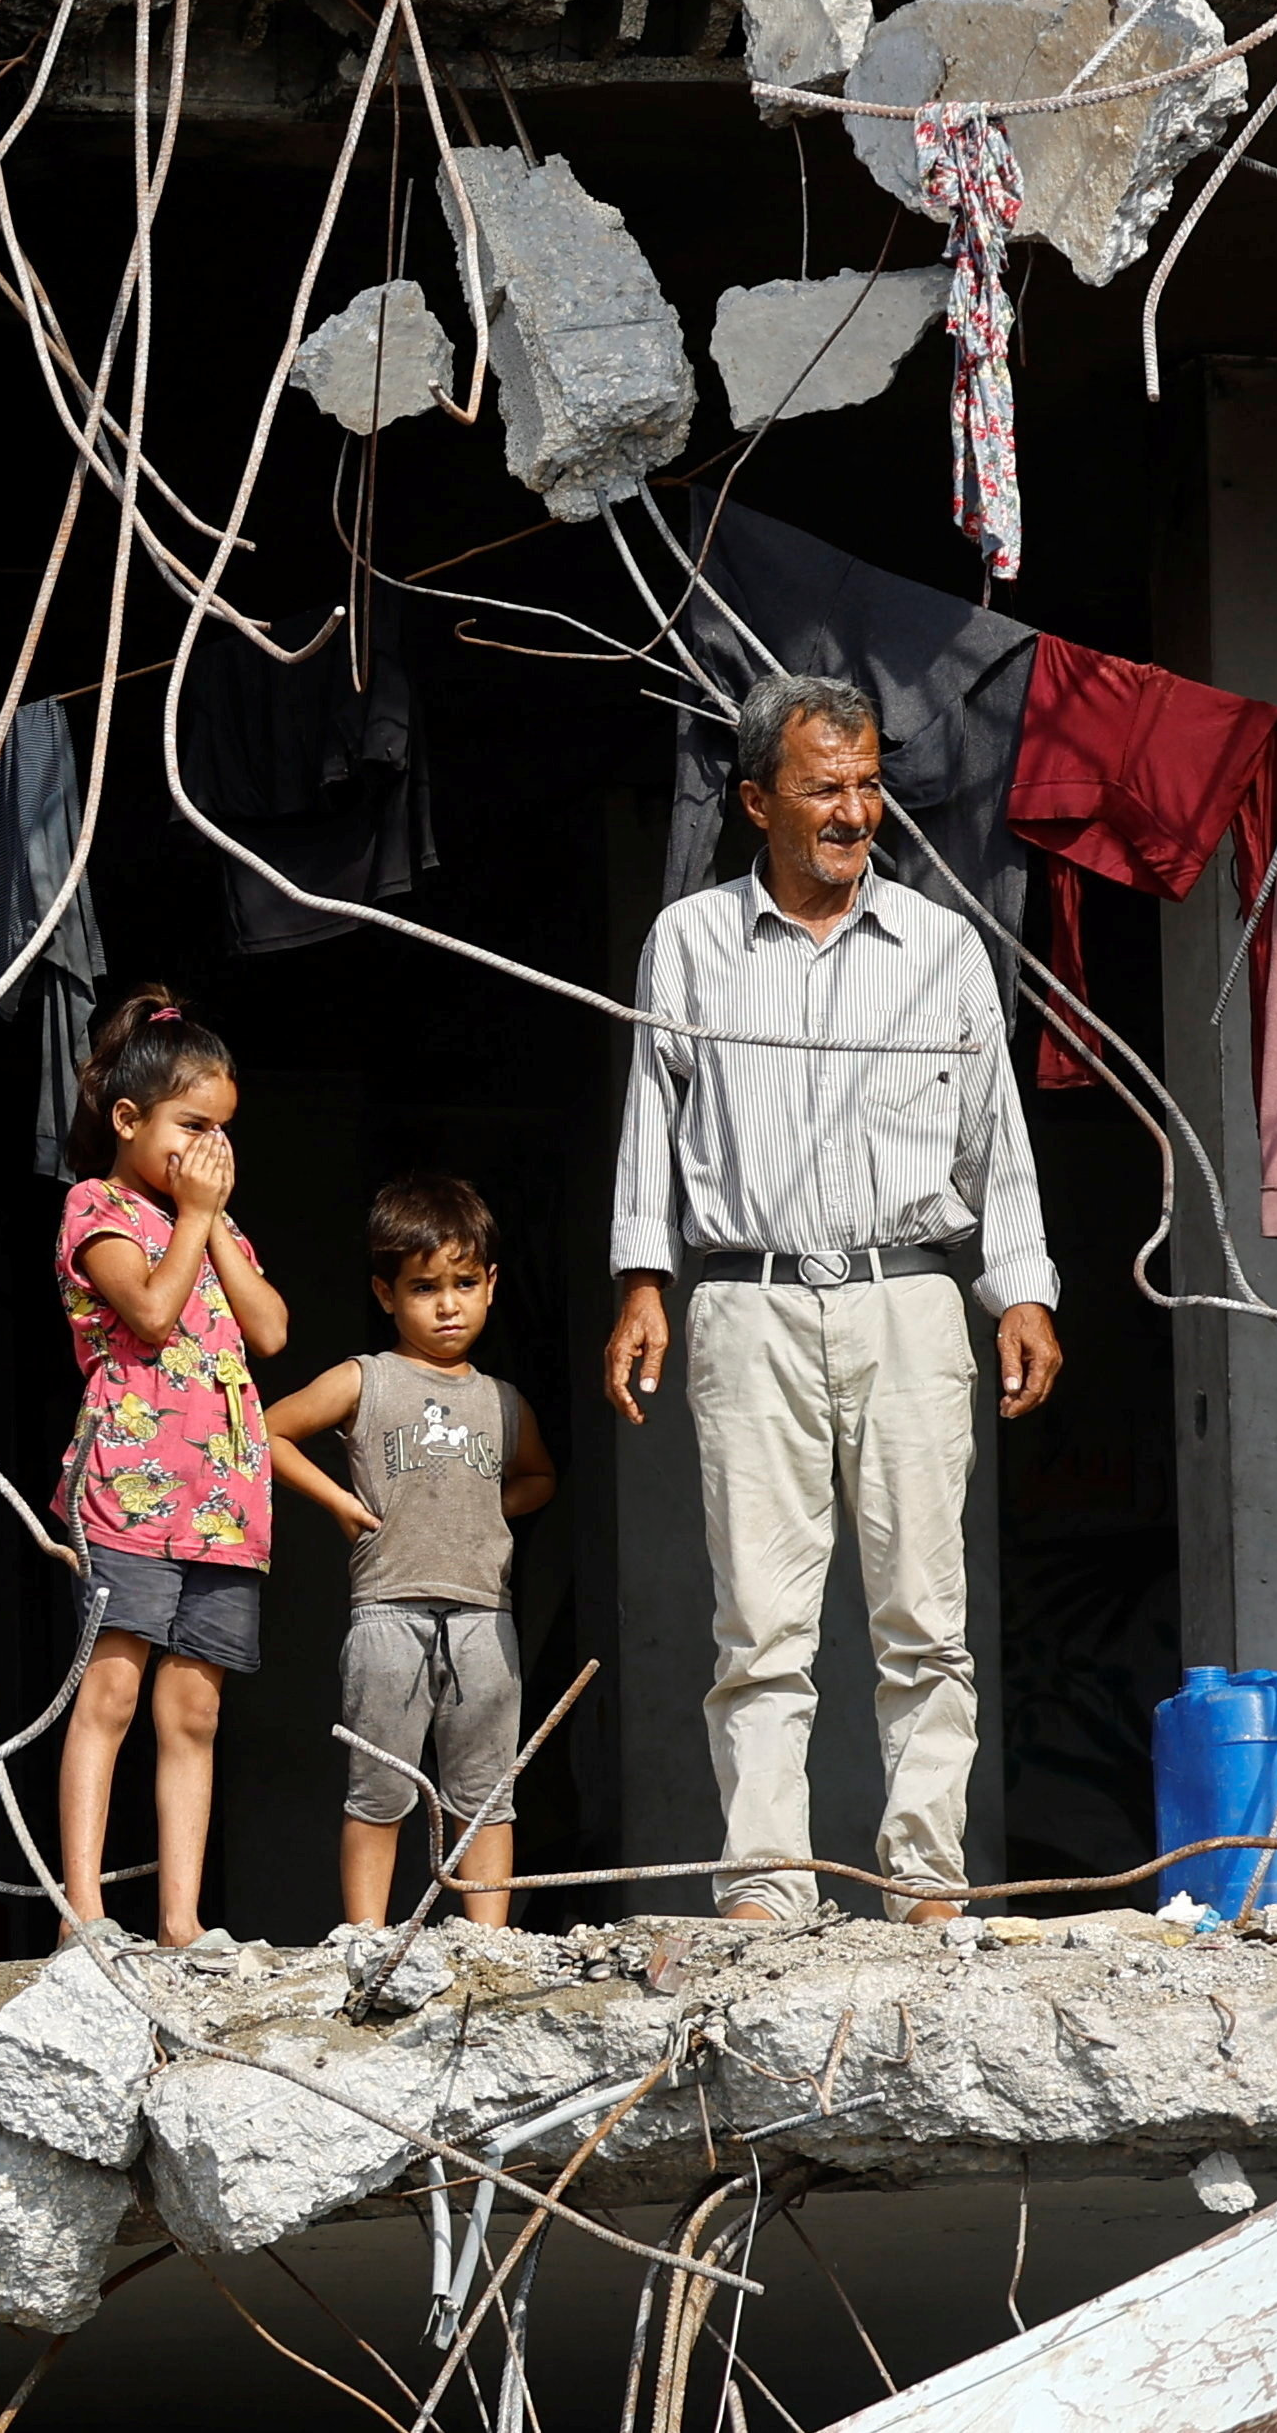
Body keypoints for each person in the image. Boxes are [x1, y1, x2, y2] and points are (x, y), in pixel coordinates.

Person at [604, 671, 1065, 1923]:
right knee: (758, 1619)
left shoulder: (942, 944)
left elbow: (995, 1138)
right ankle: (763, 1881)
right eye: (825, 787)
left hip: (910, 1300)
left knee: (927, 1614)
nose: (856, 810)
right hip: (745, 1304)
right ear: (757, 799)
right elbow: (653, 1122)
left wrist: (1018, 1290)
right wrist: (644, 1280)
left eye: (869, 783)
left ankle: (925, 1879)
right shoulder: (689, 943)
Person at [50, 992, 357, 1940]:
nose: (209, 1148)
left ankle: (181, 1920)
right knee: (111, 1692)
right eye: (192, 1126)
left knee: (193, 1712)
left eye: (222, 1130)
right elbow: (146, 1311)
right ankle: (84, 1909)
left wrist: (213, 1218)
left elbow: (269, 1331)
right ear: (128, 1120)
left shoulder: (215, 1225)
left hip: (224, 1502)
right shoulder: (95, 1208)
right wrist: (191, 1217)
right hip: (128, 1495)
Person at [268, 1170, 556, 1930]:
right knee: (381, 1788)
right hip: (388, 1612)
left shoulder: (502, 1398)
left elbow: (539, 1478)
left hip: (484, 1617)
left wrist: (483, 1503)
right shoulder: (368, 1380)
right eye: (425, 1286)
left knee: (487, 1792)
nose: (448, 1304)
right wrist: (339, 1502)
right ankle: (365, 1936)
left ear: (492, 1285)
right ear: (385, 1293)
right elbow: (268, 1431)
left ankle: (485, 1941)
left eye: (464, 1282)